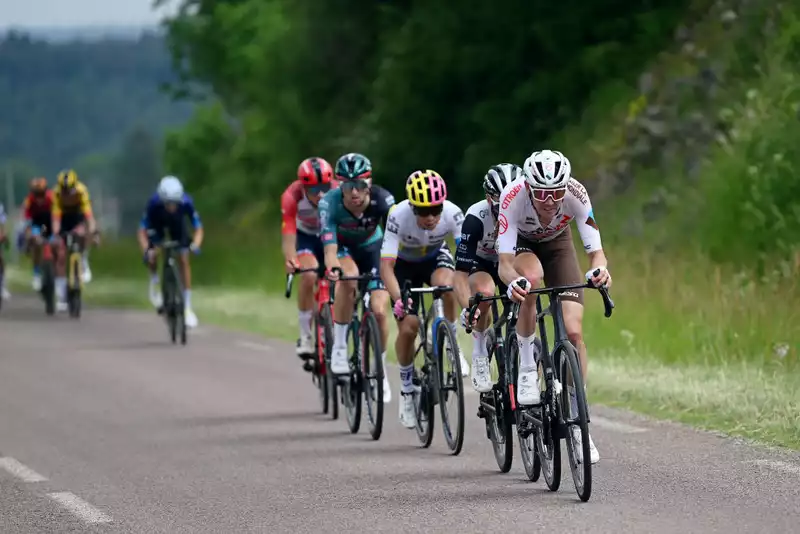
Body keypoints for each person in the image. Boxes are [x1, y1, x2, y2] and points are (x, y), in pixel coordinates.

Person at [496, 149, 611, 465]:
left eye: (556, 192)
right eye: (543, 193)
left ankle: (578, 418)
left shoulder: (576, 193)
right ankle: (527, 365)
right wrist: (513, 282)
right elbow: (505, 264)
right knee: (531, 278)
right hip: (522, 245)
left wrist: (600, 270)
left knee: (573, 332)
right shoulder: (512, 196)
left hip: (559, 244)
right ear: (529, 187)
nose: (550, 200)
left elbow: (596, 253)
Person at [380, 169, 469, 428]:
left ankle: (450, 342)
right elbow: (386, 267)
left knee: (448, 284)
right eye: (423, 210)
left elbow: (465, 262)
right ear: (412, 206)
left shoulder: (453, 214)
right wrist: (398, 299)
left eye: (435, 209)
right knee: (408, 326)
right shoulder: (398, 215)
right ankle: (407, 388)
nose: (430, 217)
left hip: (434, 258)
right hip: (404, 266)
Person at [319, 152, 393, 403]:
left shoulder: (384, 200)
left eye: (360, 185)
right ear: (339, 185)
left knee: (380, 310)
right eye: (347, 186)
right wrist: (333, 269)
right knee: (348, 279)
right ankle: (339, 346)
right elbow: (329, 250)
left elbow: (396, 239)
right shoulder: (329, 203)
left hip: (374, 250)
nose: (354, 193)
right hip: (343, 250)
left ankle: (380, 370)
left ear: (369, 184)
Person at [453, 163, 523, 394]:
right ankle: (480, 350)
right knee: (485, 293)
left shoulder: (526, 212)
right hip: (481, 263)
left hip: (510, 262)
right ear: (488, 197)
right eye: (500, 199)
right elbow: (460, 275)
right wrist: (468, 308)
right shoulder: (475, 217)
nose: (506, 205)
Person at [280, 157, 337, 361]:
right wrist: (291, 259)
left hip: (331, 236)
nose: (320, 194)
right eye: (313, 190)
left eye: (324, 187)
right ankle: (305, 335)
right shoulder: (292, 196)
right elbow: (288, 232)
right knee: (309, 274)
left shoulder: (338, 191)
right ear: (303, 187)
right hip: (305, 237)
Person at [138, 175, 204, 328]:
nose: (171, 207)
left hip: (177, 227)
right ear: (161, 199)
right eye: (167, 203)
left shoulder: (186, 202)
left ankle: (187, 307)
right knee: (153, 253)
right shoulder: (153, 204)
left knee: (183, 258)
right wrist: (147, 250)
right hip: (157, 225)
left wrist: (195, 245)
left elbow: (198, 228)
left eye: (174, 203)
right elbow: (141, 231)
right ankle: (154, 280)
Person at [51, 169, 98, 311]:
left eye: (69, 190)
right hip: (64, 219)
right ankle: (61, 296)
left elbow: (89, 217)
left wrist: (92, 232)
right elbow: (56, 219)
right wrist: (57, 235)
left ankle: (83, 259)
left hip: (78, 218)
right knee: (60, 255)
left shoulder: (81, 191)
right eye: (64, 191)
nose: (66, 194)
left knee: (84, 233)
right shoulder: (57, 194)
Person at [21, 177, 53, 291]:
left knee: (54, 243)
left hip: (48, 224)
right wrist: (28, 232)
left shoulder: (51, 197)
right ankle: (36, 273)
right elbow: (26, 216)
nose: (39, 197)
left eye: (41, 194)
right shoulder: (29, 200)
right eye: (36, 194)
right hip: (36, 225)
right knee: (36, 241)